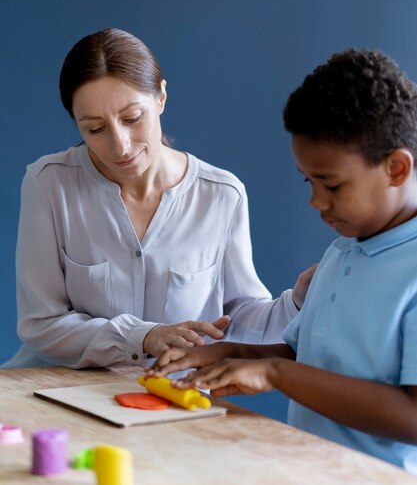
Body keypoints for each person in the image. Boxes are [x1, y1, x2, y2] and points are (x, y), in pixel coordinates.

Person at [147, 48, 417, 474]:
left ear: (397, 168)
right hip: (302, 468)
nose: (315, 201)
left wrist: (275, 375)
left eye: (331, 185)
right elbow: (301, 355)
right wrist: (226, 353)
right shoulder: (343, 248)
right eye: (308, 181)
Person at [2, 28, 313, 370]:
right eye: (95, 129)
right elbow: (41, 325)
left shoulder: (222, 194)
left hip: (163, 403)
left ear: (161, 97)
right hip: (52, 397)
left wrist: (295, 302)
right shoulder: (48, 183)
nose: (120, 145)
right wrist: (143, 337)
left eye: (132, 118)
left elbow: (239, 320)